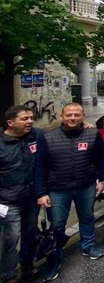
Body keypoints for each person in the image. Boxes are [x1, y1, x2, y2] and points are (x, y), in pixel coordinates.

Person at [35, 104, 104, 281]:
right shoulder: (48, 137)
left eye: (77, 115)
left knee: (87, 217)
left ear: (83, 116)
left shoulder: (93, 134)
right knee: (57, 224)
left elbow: (101, 158)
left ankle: (89, 246)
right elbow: (39, 167)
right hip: (57, 189)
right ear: (62, 116)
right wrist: (41, 192)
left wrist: (102, 180)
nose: (73, 118)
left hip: (86, 185)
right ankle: (55, 258)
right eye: (69, 115)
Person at [1, 106, 41, 283]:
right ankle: (8, 275)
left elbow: (62, 131)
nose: (30, 121)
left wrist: (86, 124)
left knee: (29, 234)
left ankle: (27, 266)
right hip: (8, 201)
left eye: (31, 118)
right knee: (11, 238)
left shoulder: (36, 136)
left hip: (32, 198)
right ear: (10, 123)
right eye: (24, 119)